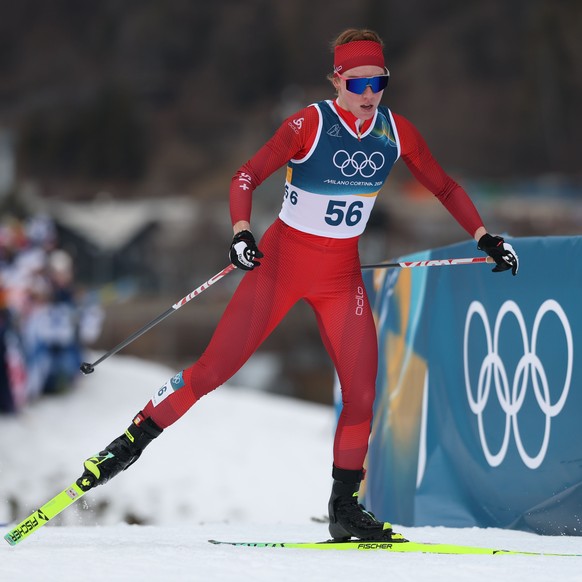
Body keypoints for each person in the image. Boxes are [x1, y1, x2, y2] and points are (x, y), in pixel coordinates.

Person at [77, 28, 519, 542]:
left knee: (360, 393)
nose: (369, 94)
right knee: (213, 371)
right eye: (357, 84)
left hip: (341, 279)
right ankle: (127, 444)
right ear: (337, 81)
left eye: (378, 82)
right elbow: (245, 176)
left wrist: (485, 237)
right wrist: (242, 233)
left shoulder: (396, 133)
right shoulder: (308, 124)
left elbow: (444, 185)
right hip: (281, 267)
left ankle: (344, 507)